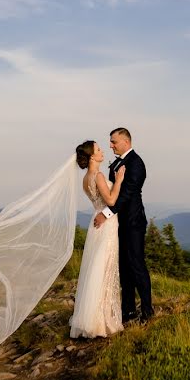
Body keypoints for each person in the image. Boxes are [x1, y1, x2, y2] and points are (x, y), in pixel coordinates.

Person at [94, 127, 153, 323]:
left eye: (114, 141)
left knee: (136, 265)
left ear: (126, 142)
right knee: (124, 267)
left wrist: (106, 213)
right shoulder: (119, 162)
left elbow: (126, 195)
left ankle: (147, 311)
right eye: (110, 142)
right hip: (119, 223)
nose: (110, 145)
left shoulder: (136, 164)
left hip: (133, 222)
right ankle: (128, 310)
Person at [69, 140, 126, 338]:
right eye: (99, 149)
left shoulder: (86, 179)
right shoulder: (98, 176)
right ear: (92, 156)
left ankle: (92, 317)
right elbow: (110, 201)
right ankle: (101, 321)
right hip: (107, 224)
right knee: (106, 267)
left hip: (96, 221)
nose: (102, 151)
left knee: (97, 267)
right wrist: (118, 181)